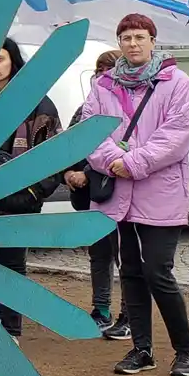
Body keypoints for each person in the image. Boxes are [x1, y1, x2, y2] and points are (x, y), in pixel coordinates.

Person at [82, 14, 189, 376]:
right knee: (130, 270)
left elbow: (176, 135)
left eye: (139, 37)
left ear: (153, 40)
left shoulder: (177, 82)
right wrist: (113, 161)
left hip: (159, 193)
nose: (132, 43)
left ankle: (185, 351)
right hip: (119, 195)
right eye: (125, 37)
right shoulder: (103, 84)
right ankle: (142, 348)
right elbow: (89, 129)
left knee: (157, 271)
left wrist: (132, 162)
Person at [0, 38, 63, 341]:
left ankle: (8, 332)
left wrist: (31, 195)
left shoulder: (37, 103)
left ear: (13, 61)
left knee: (8, 268)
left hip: (13, 203)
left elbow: (54, 155)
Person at [64, 49, 127, 337]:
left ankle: (130, 313)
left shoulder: (128, 108)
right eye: (98, 70)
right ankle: (101, 309)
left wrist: (86, 173)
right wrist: (68, 172)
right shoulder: (85, 108)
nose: (101, 76)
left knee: (126, 256)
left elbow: (125, 150)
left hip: (124, 191)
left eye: (108, 70)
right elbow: (70, 145)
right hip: (95, 195)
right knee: (99, 253)